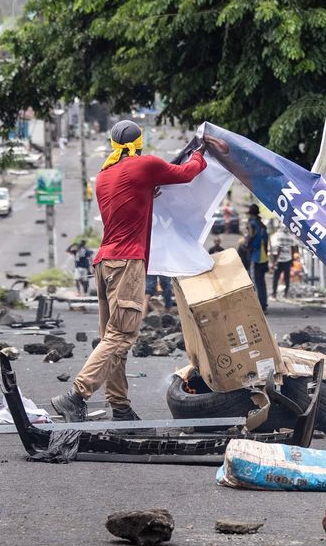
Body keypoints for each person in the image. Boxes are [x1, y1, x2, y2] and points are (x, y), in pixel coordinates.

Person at [53, 121, 208, 422]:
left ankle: (121, 408)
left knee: (112, 340)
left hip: (102, 264)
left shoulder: (103, 176)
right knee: (121, 336)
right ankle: (76, 395)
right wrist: (200, 153)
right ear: (140, 142)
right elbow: (188, 173)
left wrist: (151, 191)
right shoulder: (144, 165)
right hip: (127, 263)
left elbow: (132, 200)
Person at [241, 204, 270, 312]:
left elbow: (249, 238)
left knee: (255, 281)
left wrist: (246, 246)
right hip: (263, 257)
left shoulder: (252, 224)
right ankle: (264, 304)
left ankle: (259, 306)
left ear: (251, 213)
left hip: (255, 256)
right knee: (262, 282)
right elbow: (266, 243)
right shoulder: (262, 225)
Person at [269, 225, 297, 299]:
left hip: (279, 260)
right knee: (287, 278)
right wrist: (292, 260)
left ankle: (274, 294)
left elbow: (278, 249)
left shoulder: (278, 236)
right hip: (288, 260)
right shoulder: (291, 237)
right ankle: (286, 294)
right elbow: (293, 249)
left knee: (276, 278)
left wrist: (275, 261)